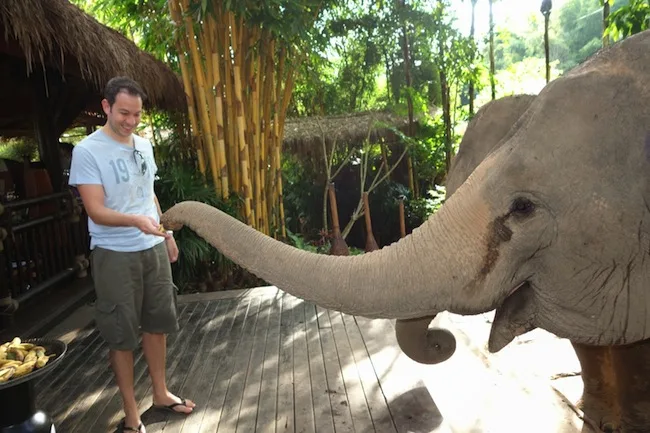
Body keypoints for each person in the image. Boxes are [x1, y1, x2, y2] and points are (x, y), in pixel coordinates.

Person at [68, 76, 195, 433]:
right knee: (121, 334)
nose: (130, 121)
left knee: (157, 325)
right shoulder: (88, 151)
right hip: (114, 253)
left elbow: (148, 194)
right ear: (106, 107)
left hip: (151, 247)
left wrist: (165, 232)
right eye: (124, 112)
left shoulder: (144, 145)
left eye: (137, 114)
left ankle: (160, 393)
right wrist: (135, 222)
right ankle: (131, 413)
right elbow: (94, 210)